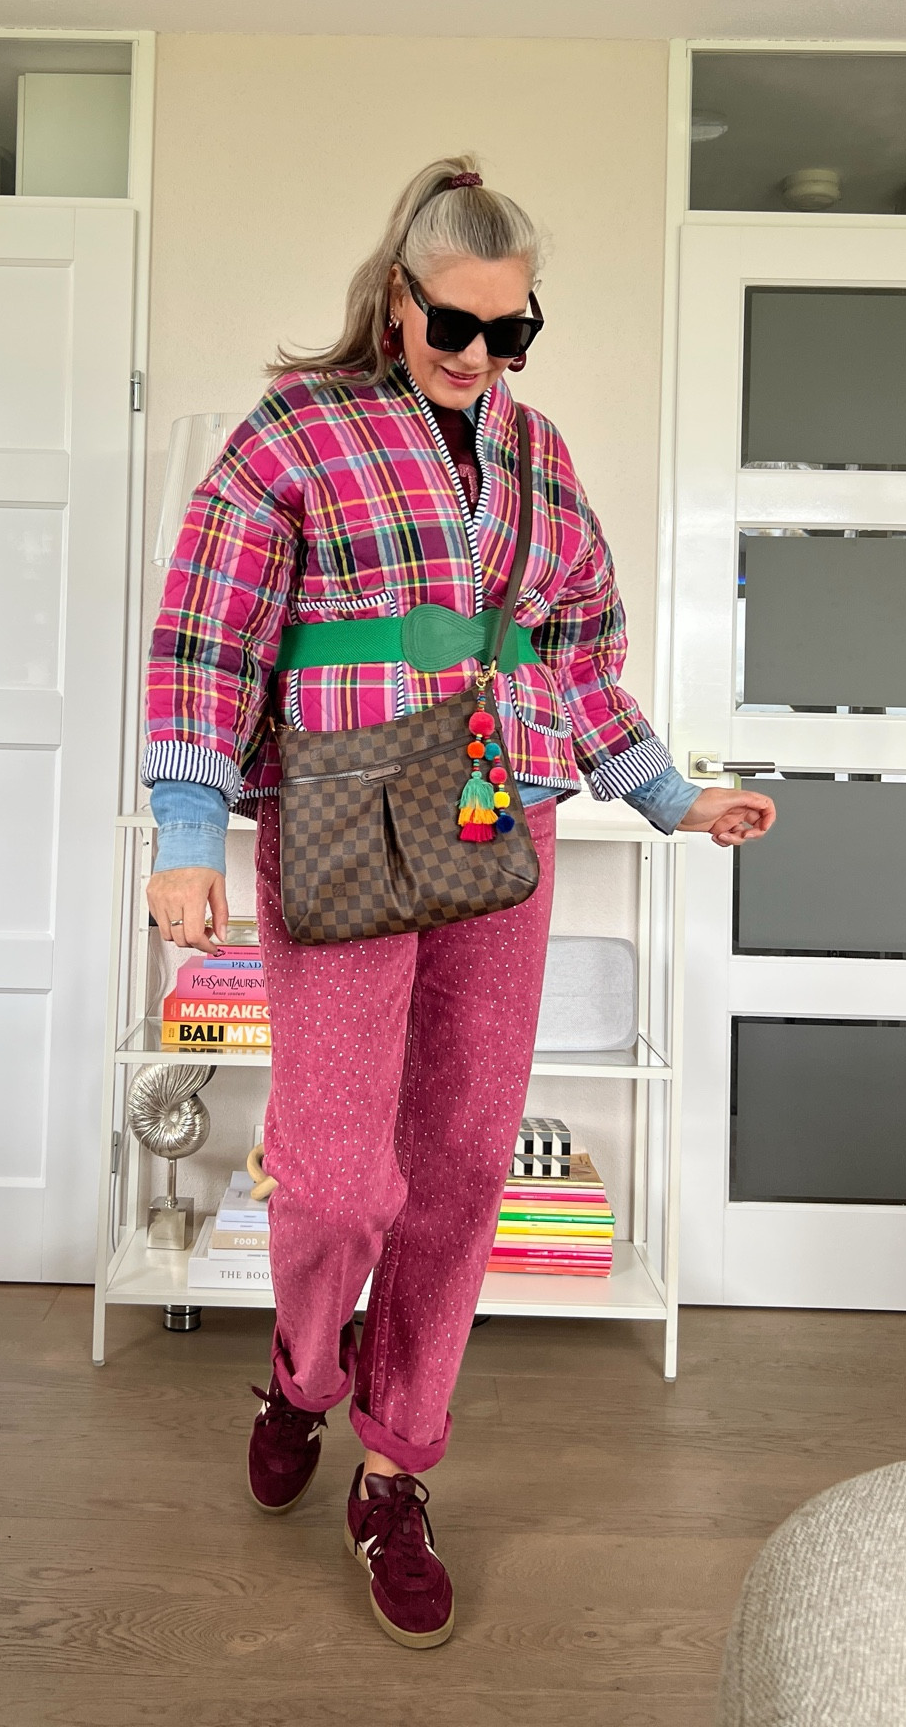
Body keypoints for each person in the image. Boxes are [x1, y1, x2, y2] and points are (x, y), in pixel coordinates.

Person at [143, 158, 774, 1650]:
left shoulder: (539, 457)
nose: (484, 358)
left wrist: (676, 796)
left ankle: (395, 1467)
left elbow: (579, 655)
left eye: (514, 331)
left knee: (463, 1162)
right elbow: (204, 638)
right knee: (340, 1175)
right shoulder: (294, 431)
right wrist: (184, 830)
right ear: (397, 296)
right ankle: (304, 1371)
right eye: (458, 327)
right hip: (344, 809)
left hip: (506, 812)